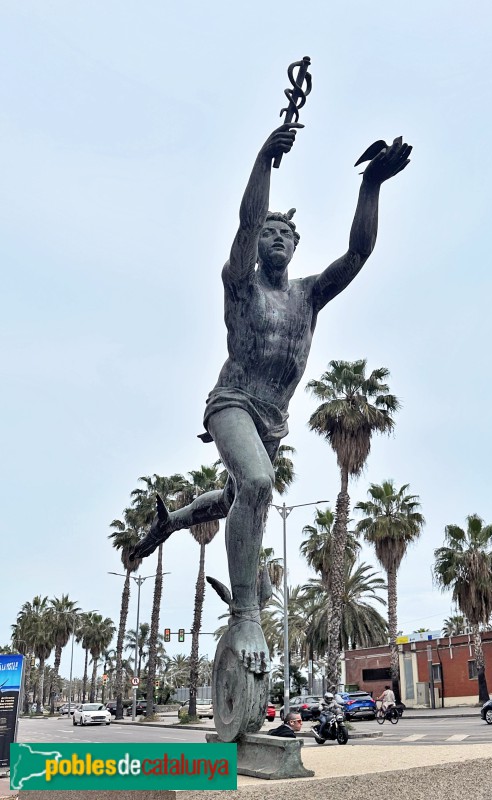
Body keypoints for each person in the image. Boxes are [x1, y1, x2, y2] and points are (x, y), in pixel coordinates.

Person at [130, 122, 412, 666]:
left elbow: (358, 253)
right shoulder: (240, 284)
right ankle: (246, 616)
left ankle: (172, 522)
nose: (276, 238)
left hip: (272, 420)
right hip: (232, 402)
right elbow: (245, 220)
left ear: (296, 245)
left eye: (286, 234)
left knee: (239, 497)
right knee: (257, 482)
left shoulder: (308, 295)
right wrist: (263, 160)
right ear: (257, 243)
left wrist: (371, 185)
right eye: (269, 233)